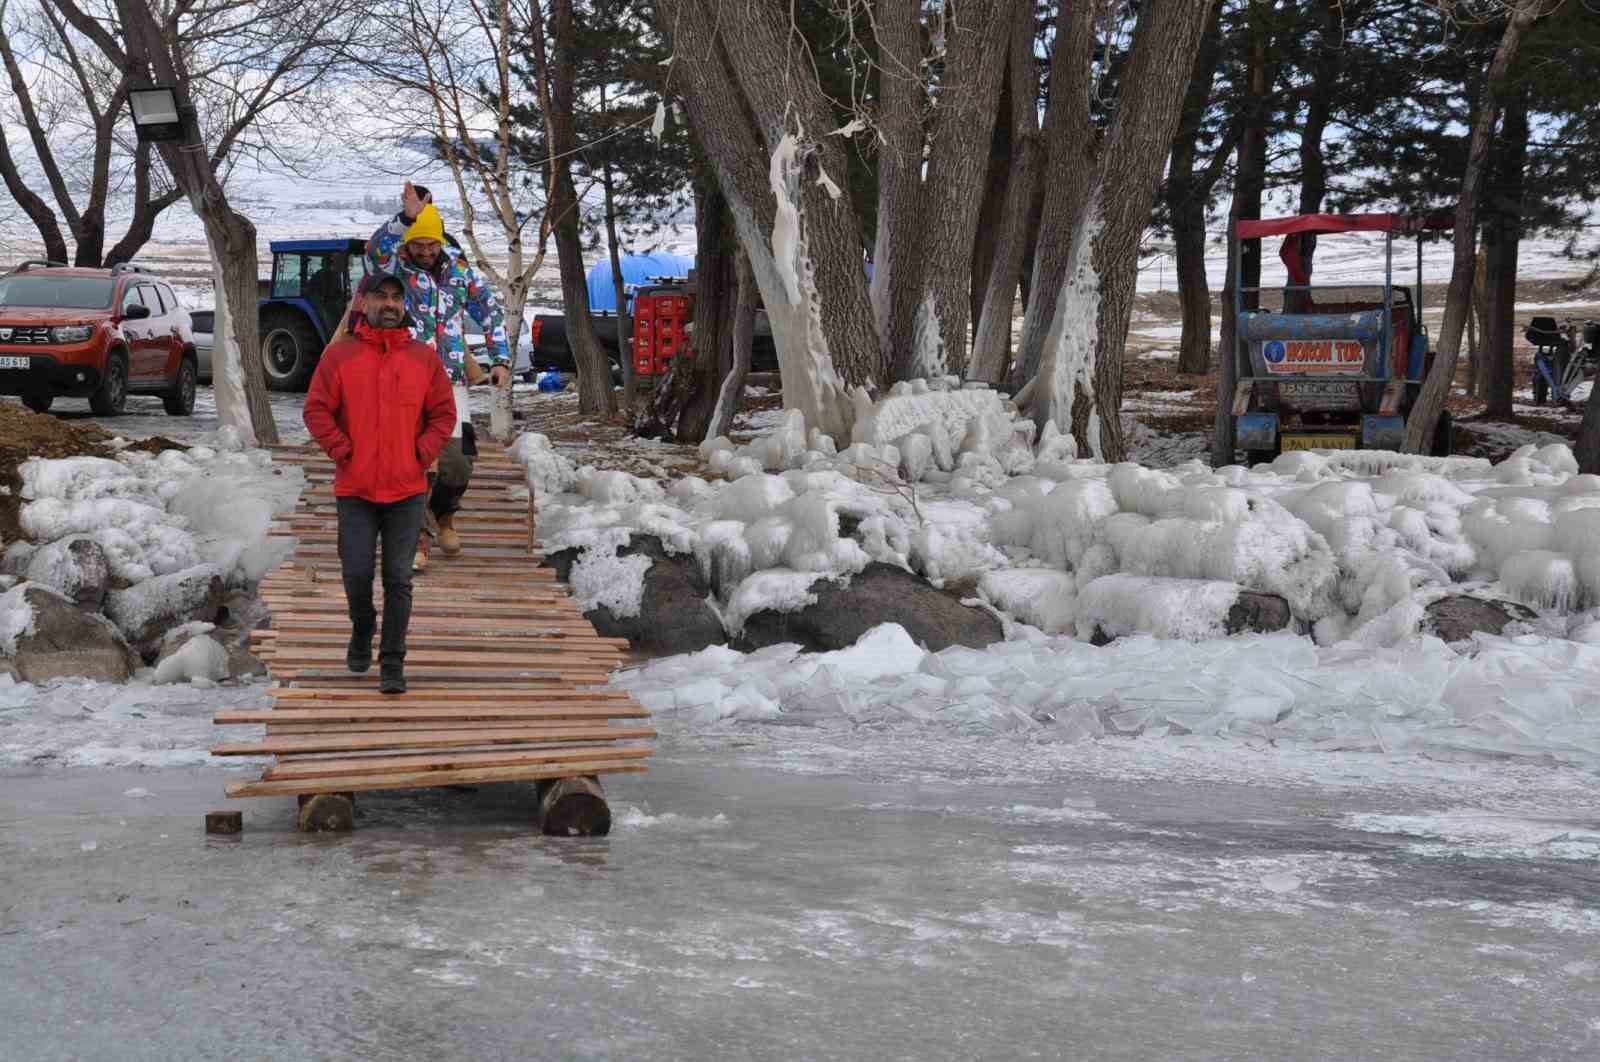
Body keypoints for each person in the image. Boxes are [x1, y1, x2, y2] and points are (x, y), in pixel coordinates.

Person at [302, 270, 456, 695]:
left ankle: (392, 662)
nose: (389, 304)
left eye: (396, 298)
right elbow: (316, 410)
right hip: (355, 490)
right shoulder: (340, 357)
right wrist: (342, 450)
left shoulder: (424, 359)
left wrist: (421, 453)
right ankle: (362, 625)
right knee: (355, 573)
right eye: (380, 297)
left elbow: (443, 415)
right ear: (364, 303)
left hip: (407, 491)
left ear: (404, 306)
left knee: (398, 579)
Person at [367, 181, 512, 570]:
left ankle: (442, 514)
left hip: (450, 382)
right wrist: (404, 220)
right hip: (401, 380)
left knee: (459, 461)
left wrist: (500, 359)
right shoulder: (394, 268)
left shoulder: (459, 272)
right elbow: (374, 252)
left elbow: (490, 312)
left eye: (432, 245)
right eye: (419, 245)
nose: (427, 252)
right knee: (412, 462)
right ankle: (415, 542)